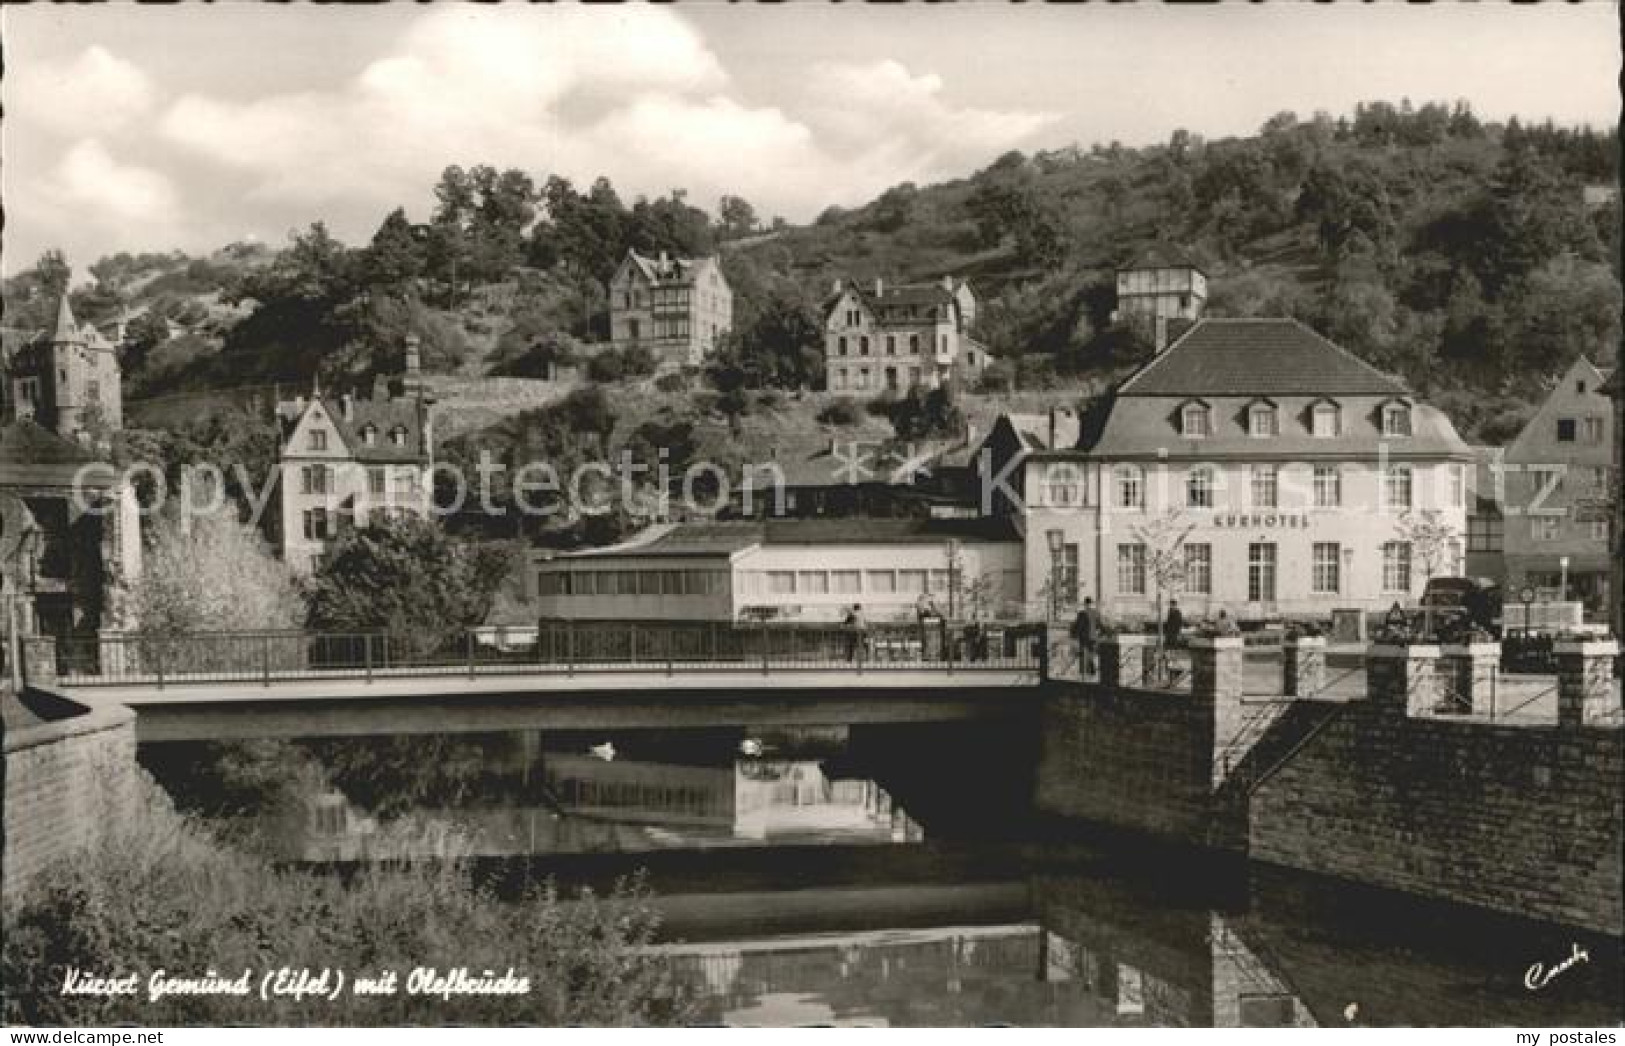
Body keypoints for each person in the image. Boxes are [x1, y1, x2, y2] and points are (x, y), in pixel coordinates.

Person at [1071, 597, 1101, 678]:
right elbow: (1099, 625)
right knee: (1091, 653)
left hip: (1084, 637)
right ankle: (1092, 671)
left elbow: (1078, 626)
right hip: (1093, 637)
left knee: (1083, 654)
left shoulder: (1081, 613)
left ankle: (1083, 671)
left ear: (1085, 604)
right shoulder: (1095, 613)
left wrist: (1075, 635)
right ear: (1091, 603)